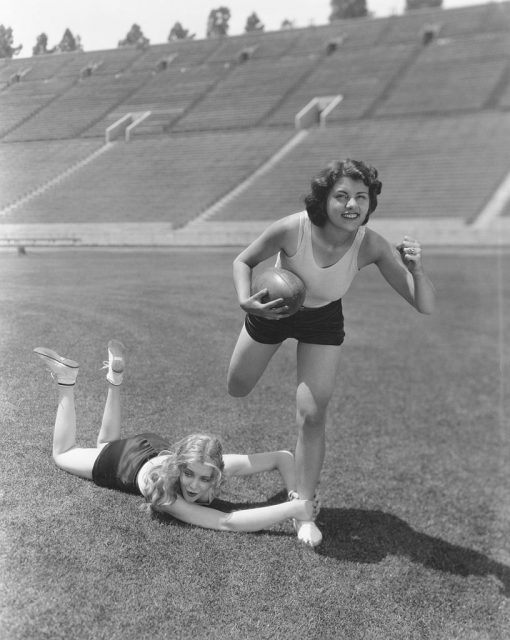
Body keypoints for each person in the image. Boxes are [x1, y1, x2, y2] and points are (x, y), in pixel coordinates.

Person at [227, 159, 436, 547]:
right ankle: (282, 458)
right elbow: (244, 260)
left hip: (322, 321)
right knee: (237, 387)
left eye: (361, 197)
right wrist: (246, 302)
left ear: (371, 203)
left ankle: (303, 505)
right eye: (341, 196)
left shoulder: (370, 244)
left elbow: (423, 304)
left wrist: (417, 271)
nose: (351, 205)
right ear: (324, 200)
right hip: (272, 310)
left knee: (313, 413)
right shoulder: (293, 228)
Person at [34, 340, 314, 533]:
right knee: (63, 453)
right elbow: (227, 522)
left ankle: (115, 380)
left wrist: (294, 493)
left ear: (216, 471)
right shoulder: (165, 493)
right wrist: (292, 509)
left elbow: (282, 458)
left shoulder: (208, 464)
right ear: (181, 466)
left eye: (205, 478)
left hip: (148, 448)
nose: (194, 485)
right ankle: (66, 382)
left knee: (106, 444)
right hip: (126, 461)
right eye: (189, 474)